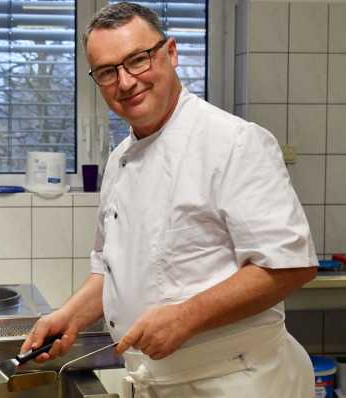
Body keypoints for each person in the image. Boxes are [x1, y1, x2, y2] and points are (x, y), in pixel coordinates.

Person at [20, 2, 318, 397]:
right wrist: (69, 317)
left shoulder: (234, 142)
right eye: (108, 72)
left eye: (138, 60)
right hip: (155, 381)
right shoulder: (120, 158)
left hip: (236, 380)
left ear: (171, 53)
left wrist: (186, 318)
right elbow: (112, 269)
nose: (126, 82)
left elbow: (289, 266)